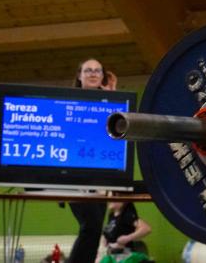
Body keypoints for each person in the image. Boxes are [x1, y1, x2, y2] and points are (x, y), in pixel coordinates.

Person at [67, 59, 117, 263]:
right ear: (79, 76)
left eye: (97, 70)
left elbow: (116, 135)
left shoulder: (108, 103)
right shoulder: (70, 102)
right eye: (88, 70)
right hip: (75, 175)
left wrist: (112, 96)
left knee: (95, 231)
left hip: (100, 174)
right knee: (91, 226)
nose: (93, 73)